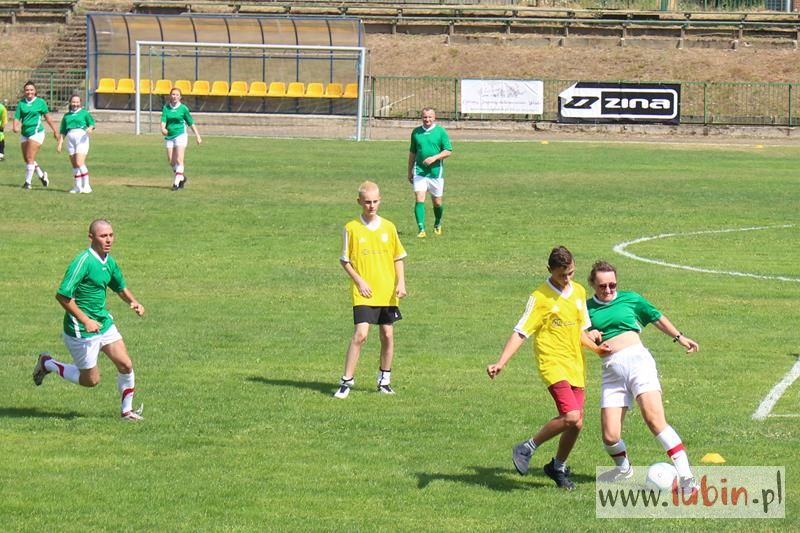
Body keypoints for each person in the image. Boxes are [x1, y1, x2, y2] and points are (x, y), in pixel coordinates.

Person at [487, 246, 610, 490]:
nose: (567, 278)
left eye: (571, 272)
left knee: (577, 422)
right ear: (549, 270)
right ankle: (526, 448)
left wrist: (596, 349)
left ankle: (558, 467)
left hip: (575, 365)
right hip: (552, 363)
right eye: (562, 274)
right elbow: (521, 332)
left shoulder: (578, 291)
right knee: (571, 415)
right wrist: (501, 362)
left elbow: (581, 331)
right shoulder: (540, 297)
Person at [585, 260, 699, 492]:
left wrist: (680, 337)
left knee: (655, 421)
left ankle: (687, 478)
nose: (608, 290)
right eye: (602, 286)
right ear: (592, 285)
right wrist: (590, 336)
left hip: (639, 364)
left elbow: (656, 317)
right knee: (610, 436)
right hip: (611, 373)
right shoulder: (585, 309)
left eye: (612, 285)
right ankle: (623, 469)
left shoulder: (631, 299)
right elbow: (577, 335)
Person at [32, 219, 146, 421]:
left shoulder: (108, 261)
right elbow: (62, 295)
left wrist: (133, 301)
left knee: (126, 365)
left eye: (111, 235)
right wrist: (85, 320)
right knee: (91, 381)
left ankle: (127, 412)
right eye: (103, 236)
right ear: (91, 237)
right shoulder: (83, 261)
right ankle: (47, 363)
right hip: (80, 329)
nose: (108, 240)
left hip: (103, 322)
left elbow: (119, 286)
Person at [335, 180, 407, 399]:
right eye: (367, 202)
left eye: (375, 201)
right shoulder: (351, 228)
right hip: (364, 292)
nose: (372, 205)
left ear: (380, 200)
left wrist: (401, 283)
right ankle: (346, 381)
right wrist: (359, 281)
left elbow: (398, 257)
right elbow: (345, 260)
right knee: (361, 334)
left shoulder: (389, 227)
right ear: (359, 202)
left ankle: (384, 380)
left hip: (387, 291)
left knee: (387, 334)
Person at [407, 107, 452, 238]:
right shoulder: (416, 132)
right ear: (421, 117)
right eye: (425, 117)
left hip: (435, 172)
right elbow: (412, 153)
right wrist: (409, 170)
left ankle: (437, 223)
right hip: (419, 171)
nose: (427, 119)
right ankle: (421, 229)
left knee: (437, 202)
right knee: (419, 198)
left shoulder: (441, 132)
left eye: (429, 117)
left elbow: (448, 151)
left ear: (434, 117)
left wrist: (434, 158)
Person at [12, 81, 58, 190]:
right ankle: (42, 176)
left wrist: (55, 130)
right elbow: (17, 117)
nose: (29, 92)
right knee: (27, 159)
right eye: (27, 90)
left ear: (35, 91)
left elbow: (48, 117)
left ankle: (27, 183)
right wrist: (15, 126)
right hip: (25, 133)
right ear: (24, 91)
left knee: (29, 157)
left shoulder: (40, 102)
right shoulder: (21, 103)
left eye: (31, 90)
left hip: (36, 133)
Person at [160, 87, 202, 191]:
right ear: (170, 96)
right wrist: (163, 129)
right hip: (169, 136)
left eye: (177, 95)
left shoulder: (183, 109)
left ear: (180, 97)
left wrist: (197, 135)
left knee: (179, 159)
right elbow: (163, 121)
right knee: (171, 161)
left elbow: (191, 123)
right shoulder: (166, 108)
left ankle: (176, 183)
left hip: (181, 135)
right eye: (173, 94)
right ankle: (181, 177)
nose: (175, 96)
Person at [57, 94, 96, 194]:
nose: (75, 104)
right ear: (70, 103)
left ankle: (86, 185)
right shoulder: (66, 116)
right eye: (73, 102)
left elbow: (91, 123)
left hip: (81, 138)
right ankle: (77, 187)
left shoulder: (84, 113)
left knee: (79, 162)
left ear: (80, 102)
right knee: (74, 165)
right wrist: (60, 143)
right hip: (70, 138)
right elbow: (63, 131)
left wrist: (90, 128)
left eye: (77, 102)